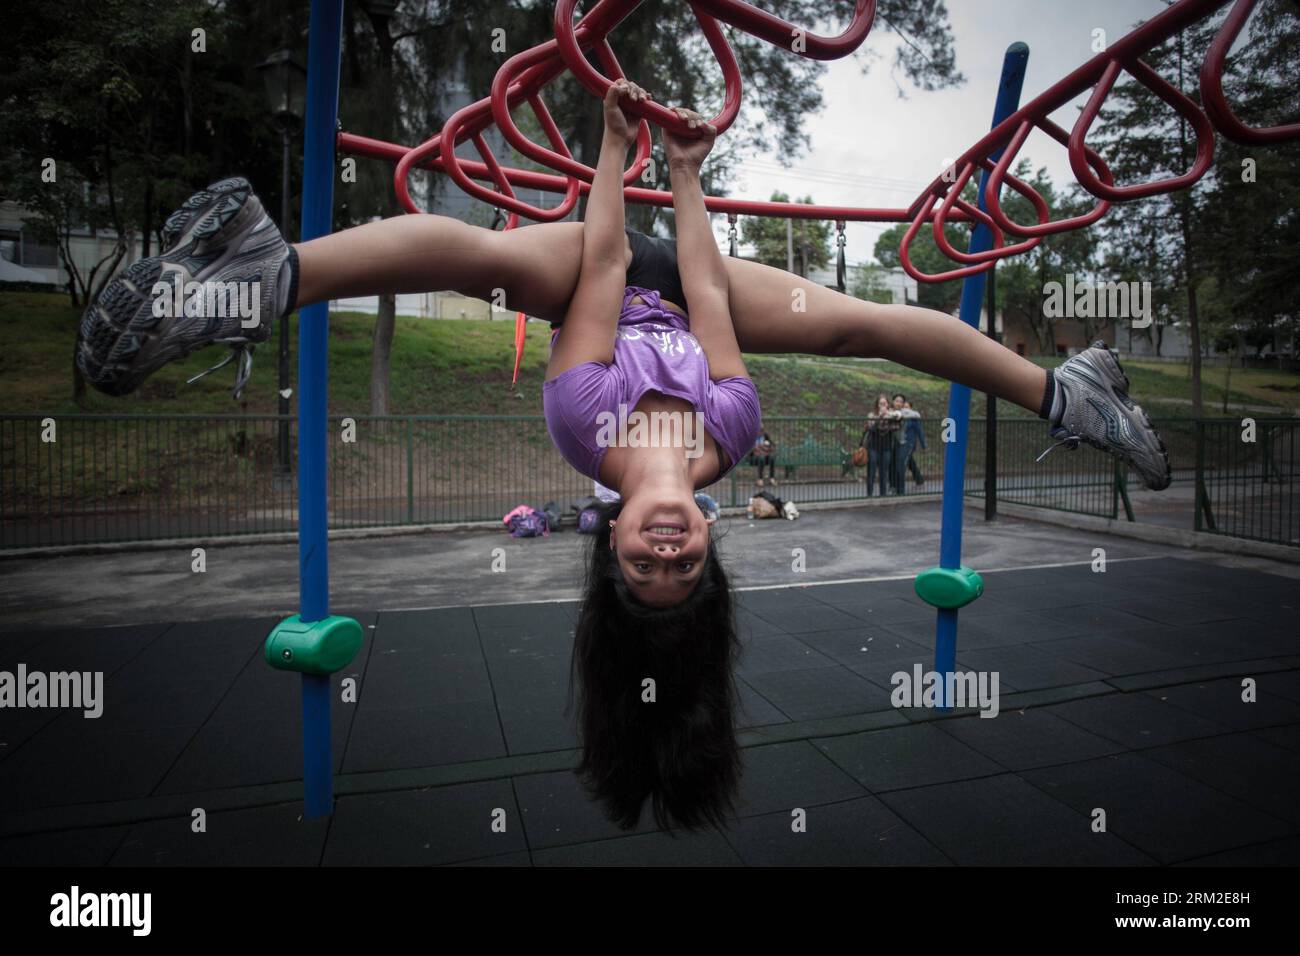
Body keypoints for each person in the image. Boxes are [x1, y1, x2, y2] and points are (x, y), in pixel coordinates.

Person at [75, 81, 1172, 830]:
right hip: (693, 282)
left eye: (640, 567)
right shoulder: (730, 436)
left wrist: (612, 154)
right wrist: (687, 172)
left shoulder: (581, 426)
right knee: (859, 322)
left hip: (593, 266)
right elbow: (704, 294)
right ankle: (1064, 394)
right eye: (681, 567)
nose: (661, 551)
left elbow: (601, 263)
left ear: (609, 552)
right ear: (707, 546)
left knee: (492, 260)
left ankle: (266, 274)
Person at [864, 394, 900, 496]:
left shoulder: (891, 415)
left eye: (885, 403)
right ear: (877, 405)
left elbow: (896, 427)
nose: (883, 405)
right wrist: (880, 418)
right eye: (881, 403)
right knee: (871, 472)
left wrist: (890, 417)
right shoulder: (872, 415)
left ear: (888, 404)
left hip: (886, 448)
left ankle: (882, 495)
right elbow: (871, 429)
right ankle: (869, 495)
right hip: (873, 447)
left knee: (883, 473)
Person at [895, 396, 926, 488]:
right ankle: (920, 481)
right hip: (901, 444)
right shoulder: (900, 416)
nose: (905, 409)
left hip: (910, 443)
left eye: (907, 407)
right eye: (904, 407)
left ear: (911, 408)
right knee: (910, 462)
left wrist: (923, 444)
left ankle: (900, 486)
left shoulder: (913, 418)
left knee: (904, 462)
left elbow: (919, 431)